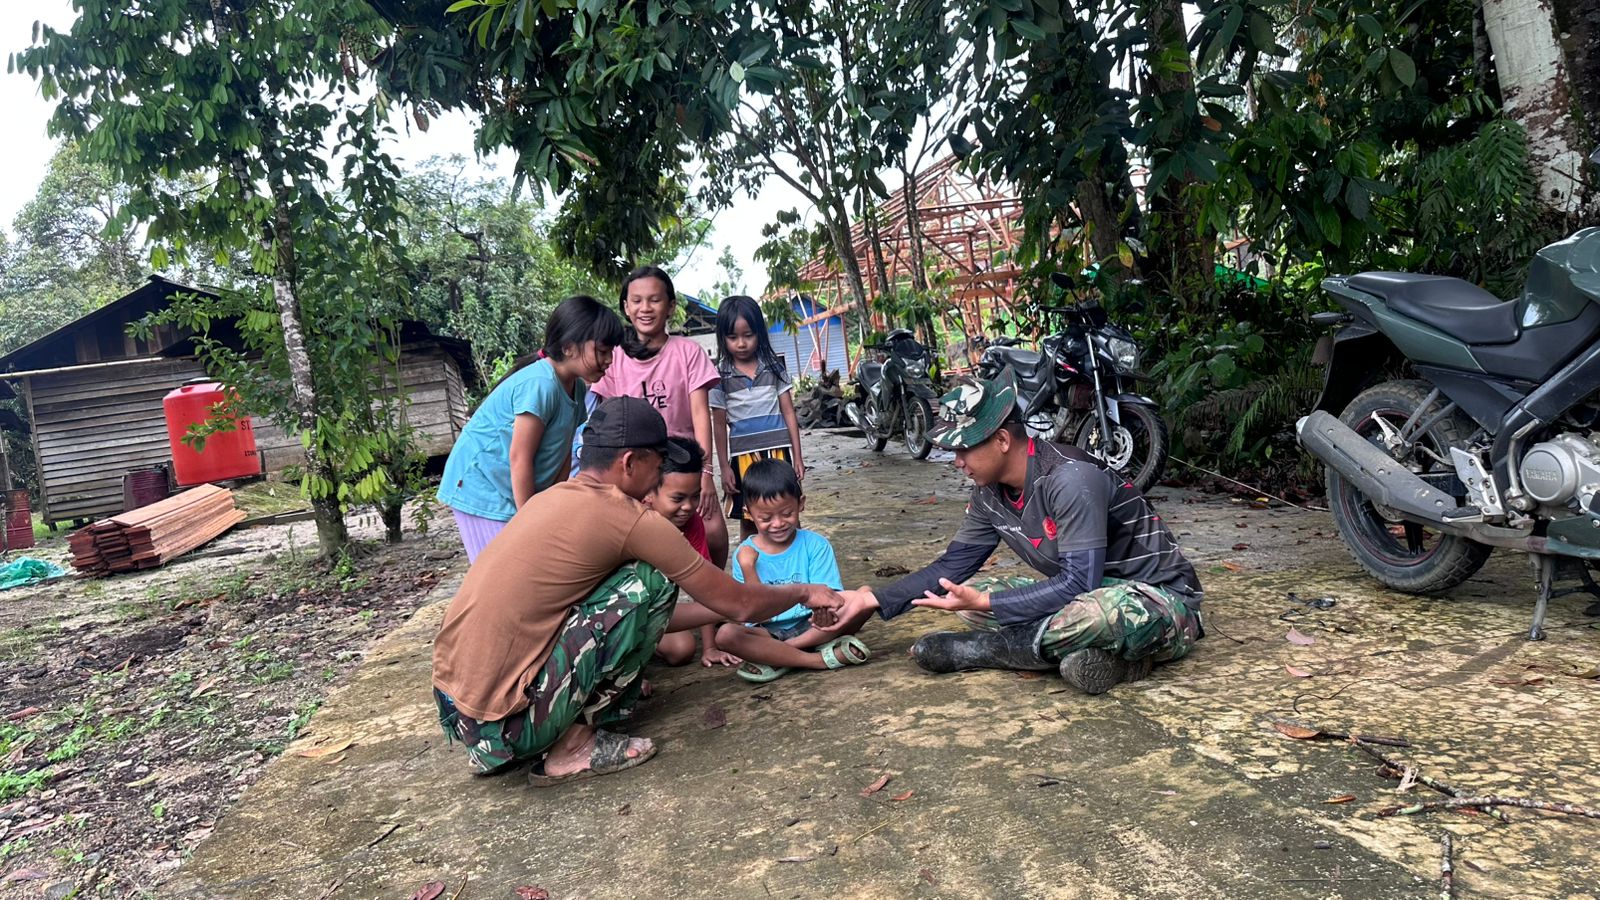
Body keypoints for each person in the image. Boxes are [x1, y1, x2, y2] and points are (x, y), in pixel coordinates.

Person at [431, 398, 844, 785]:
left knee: (642, 592)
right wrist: (805, 592)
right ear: (630, 462)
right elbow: (738, 601)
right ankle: (571, 746)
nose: (660, 473)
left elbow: (672, 613)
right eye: (658, 462)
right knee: (652, 579)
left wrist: (721, 613)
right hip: (513, 727)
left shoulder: (551, 498)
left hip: (465, 719)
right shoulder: (627, 517)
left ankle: (549, 731)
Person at [831, 371, 1204, 695]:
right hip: (1084, 595)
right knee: (974, 601)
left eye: (964, 448)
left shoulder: (1070, 479)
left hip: (1158, 602)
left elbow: (1079, 584)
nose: (957, 461)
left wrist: (988, 607)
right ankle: (1099, 659)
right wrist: (874, 599)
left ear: (1003, 441)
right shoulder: (986, 494)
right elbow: (951, 566)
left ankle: (992, 649)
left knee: (1092, 616)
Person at [437, 295, 624, 562]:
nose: (609, 360)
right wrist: (530, 520)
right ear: (570, 347)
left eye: (611, 352)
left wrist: (552, 505)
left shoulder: (578, 388)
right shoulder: (540, 385)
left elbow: (564, 453)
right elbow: (520, 458)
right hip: (481, 487)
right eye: (603, 351)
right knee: (500, 574)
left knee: (525, 566)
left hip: (508, 489)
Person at [592, 266, 729, 569]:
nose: (645, 308)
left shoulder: (688, 352)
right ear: (626, 307)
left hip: (684, 461)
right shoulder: (614, 358)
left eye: (654, 300)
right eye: (637, 300)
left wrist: (706, 472)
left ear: (670, 306)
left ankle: (718, 597)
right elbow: (608, 418)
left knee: (713, 529)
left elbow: (699, 413)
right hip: (636, 464)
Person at [715, 459, 874, 683]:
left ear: (800, 504)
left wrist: (824, 614)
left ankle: (779, 655)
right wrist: (748, 567)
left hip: (814, 626)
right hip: (767, 631)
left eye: (787, 513)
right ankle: (817, 659)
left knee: (864, 596)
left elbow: (831, 598)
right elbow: (757, 613)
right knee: (726, 635)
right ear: (748, 513)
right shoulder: (745, 554)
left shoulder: (815, 544)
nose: (778, 523)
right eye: (766, 518)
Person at [709, 295, 806, 542]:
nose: (741, 343)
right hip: (743, 459)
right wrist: (723, 467)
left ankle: (800, 569)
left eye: (748, 335)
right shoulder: (719, 376)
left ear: (759, 333)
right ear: (723, 338)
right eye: (733, 338)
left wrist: (798, 456)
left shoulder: (773, 367)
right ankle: (749, 576)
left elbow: (788, 413)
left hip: (778, 454)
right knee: (750, 519)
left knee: (788, 514)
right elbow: (718, 424)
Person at [649, 437, 742, 667]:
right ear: (649, 493)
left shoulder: (692, 522)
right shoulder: (634, 524)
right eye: (678, 498)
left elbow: (704, 588)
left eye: (695, 496)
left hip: (653, 613)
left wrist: (709, 648)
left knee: (683, 650)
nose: (689, 506)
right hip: (618, 616)